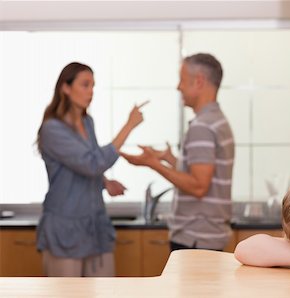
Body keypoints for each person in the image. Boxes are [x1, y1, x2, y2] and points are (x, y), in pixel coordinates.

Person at [36, 62, 147, 277]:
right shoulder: (53, 129)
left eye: (93, 86)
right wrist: (128, 126)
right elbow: (91, 163)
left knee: (104, 290)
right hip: (65, 226)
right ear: (65, 88)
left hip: (95, 223)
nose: (91, 92)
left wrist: (104, 181)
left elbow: (87, 165)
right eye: (85, 85)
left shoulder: (88, 123)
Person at [121, 53, 235, 251]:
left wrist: (153, 164)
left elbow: (199, 186)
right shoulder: (218, 121)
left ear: (199, 82)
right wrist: (168, 159)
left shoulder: (202, 127)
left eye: (182, 80)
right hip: (208, 236)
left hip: (195, 238)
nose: (178, 87)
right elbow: (202, 173)